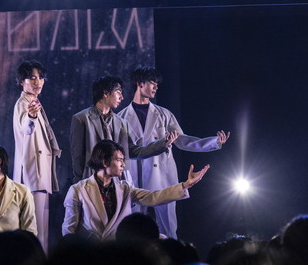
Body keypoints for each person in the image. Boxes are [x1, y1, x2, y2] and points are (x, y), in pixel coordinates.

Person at [119, 66, 230, 238]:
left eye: (157, 84)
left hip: (162, 175)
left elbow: (183, 140)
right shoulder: (122, 117)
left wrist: (213, 142)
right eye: (152, 83)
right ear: (140, 83)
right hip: (135, 176)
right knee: (134, 228)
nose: (156, 87)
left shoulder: (164, 114)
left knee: (169, 229)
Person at [62, 139, 209, 241]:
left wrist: (186, 184)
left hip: (120, 253)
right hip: (92, 255)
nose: (123, 165)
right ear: (105, 161)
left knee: (162, 240)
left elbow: (154, 197)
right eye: (119, 160)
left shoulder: (125, 188)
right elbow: (69, 230)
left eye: (123, 160)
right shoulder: (78, 190)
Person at [70, 75, 178, 184]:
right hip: (92, 181)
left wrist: (162, 144)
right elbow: (77, 157)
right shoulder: (81, 119)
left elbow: (132, 151)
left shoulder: (121, 123)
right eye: (118, 92)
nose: (122, 97)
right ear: (106, 93)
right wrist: (79, 184)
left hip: (117, 182)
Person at [12, 60, 61, 252]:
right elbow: (26, 128)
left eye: (40, 77)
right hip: (32, 175)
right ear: (21, 82)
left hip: (39, 175)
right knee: (35, 233)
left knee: (42, 233)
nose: (38, 81)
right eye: (32, 78)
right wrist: (31, 117)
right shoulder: (23, 104)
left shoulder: (34, 101)